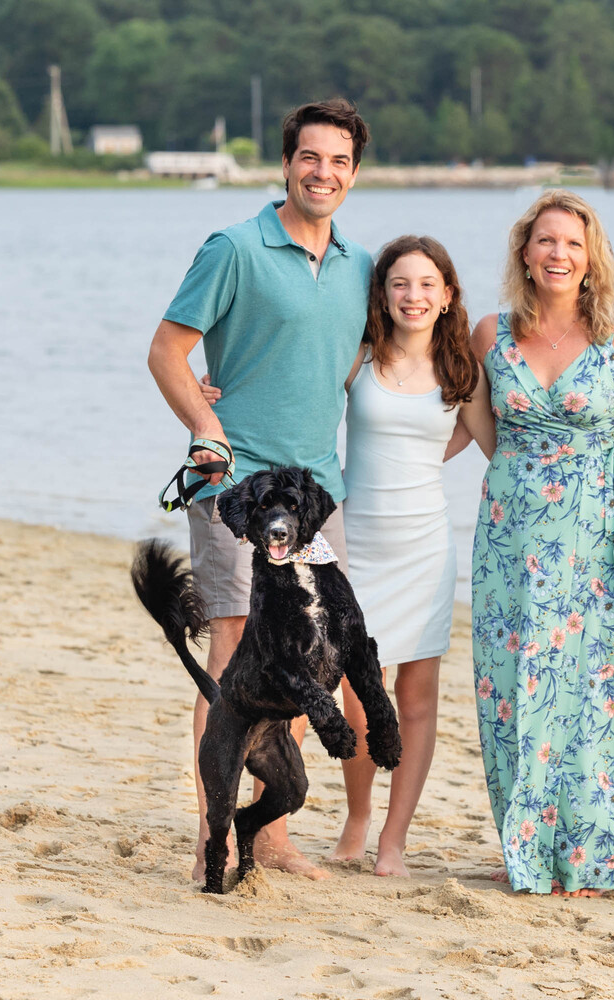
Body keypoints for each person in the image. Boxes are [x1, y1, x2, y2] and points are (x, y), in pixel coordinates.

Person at [201, 236, 495, 877]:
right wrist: (215, 394)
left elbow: (495, 441)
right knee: (359, 692)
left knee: (415, 696)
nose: (413, 297)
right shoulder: (359, 357)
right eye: (399, 284)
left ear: (448, 297)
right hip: (354, 539)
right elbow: (293, 388)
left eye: (426, 285)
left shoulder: (461, 372)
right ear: (382, 294)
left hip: (425, 544)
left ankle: (394, 838)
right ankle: (356, 819)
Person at [147, 98, 373, 884]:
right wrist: (208, 424)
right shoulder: (235, 249)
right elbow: (168, 352)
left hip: (316, 498)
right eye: (311, 157)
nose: (324, 173)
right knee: (237, 651)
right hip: (235, 490)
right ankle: (213, 831)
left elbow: (354, 359)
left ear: (353, 172)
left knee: (314, 659)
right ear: (287, 163)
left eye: (340, 161)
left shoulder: (361, 267)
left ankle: (270, 834)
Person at [469, 190, 614, 896]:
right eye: (546, 241)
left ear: (590, 255)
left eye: (572, 243)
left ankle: (593, 847)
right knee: (515, 689)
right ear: (524, 251)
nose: (558, 254)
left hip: (601, 537)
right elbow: (477, 427)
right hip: (511, 540)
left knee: (599, 688)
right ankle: (528, 843)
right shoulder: (490, 333)